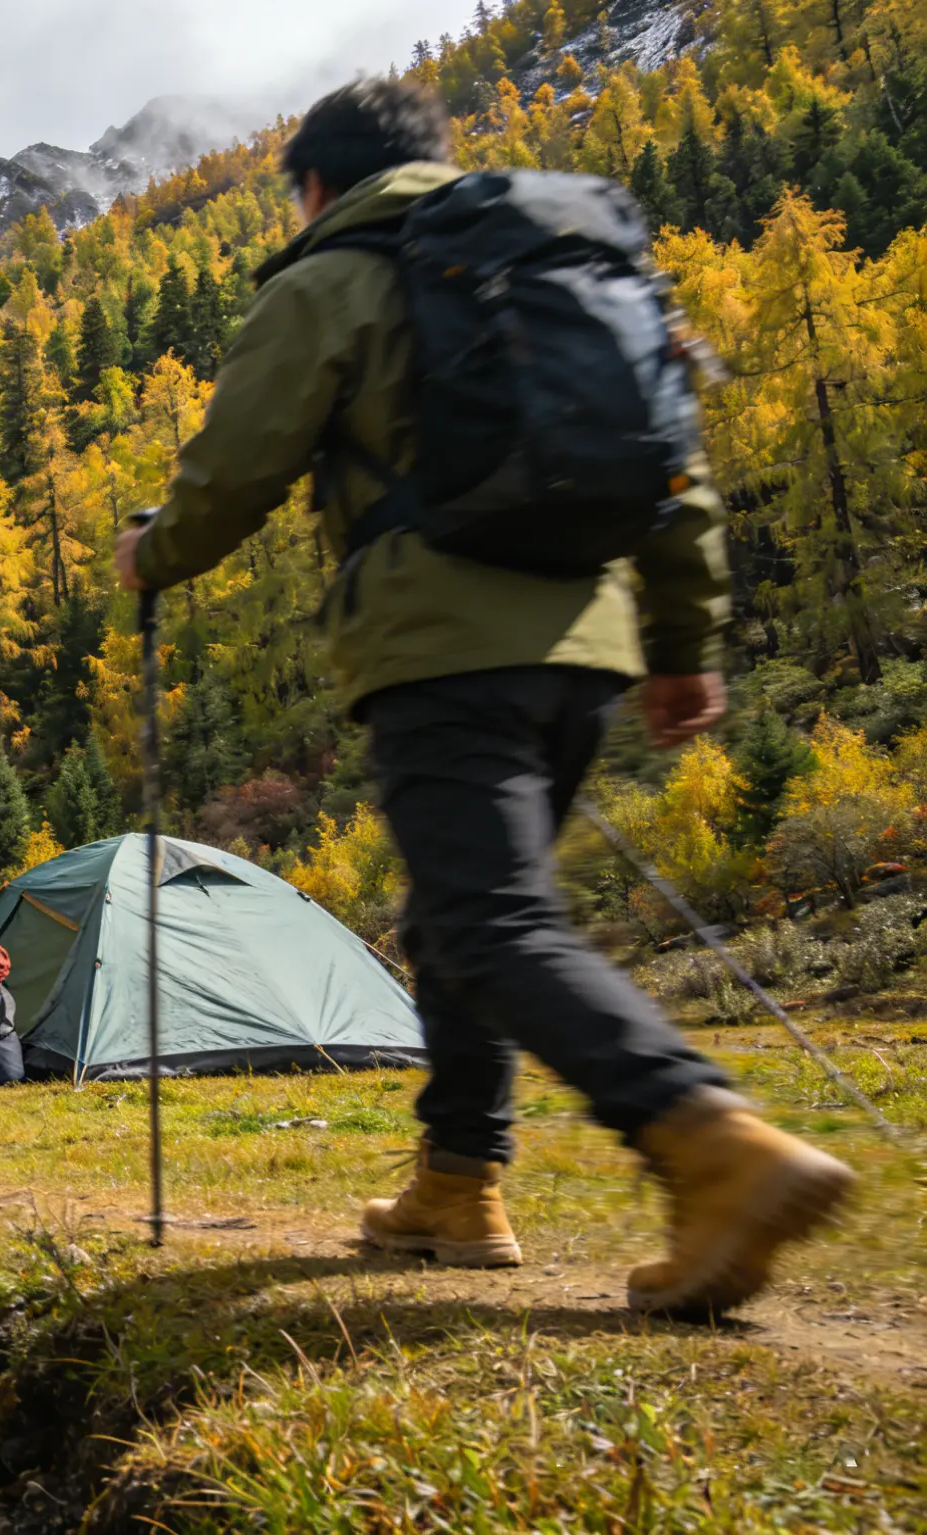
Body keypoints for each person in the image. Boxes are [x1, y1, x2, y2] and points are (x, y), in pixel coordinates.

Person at [113, 78, 851, 1318]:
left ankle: (708, 1135)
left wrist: (155, 553)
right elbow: (675, 468)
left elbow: (235, 469)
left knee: (489, 917)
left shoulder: (331, 277)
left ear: (313, 184)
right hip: (588, 640)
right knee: (462, 913)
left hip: (440, 641)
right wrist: (683, 642)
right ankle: (457, 1180)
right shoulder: (563, 269)